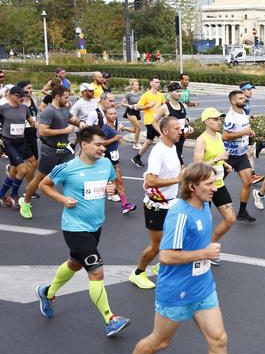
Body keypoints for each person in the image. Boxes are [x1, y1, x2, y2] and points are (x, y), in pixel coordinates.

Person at [115, 163, 228, 354]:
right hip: (177, 291)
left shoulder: (204, 204)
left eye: (214, 182)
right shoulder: (180, 214)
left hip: (203, 286)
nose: (214, 188)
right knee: (160, 341)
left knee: (219, 340)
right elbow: (166, 256)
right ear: (193, 187)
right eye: (208, 184)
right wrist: (204, 253)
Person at [35, 126, 131, 337]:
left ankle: (47, 292)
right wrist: (62, 199)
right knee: (96, 272)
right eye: (98, 144)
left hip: (95, 226)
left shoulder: (105, 164)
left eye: (103, 145)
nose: (102, 149)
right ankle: (110, 319)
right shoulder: (68, 168)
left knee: (74, 263)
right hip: (74, 228)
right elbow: (44, 184)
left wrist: (110, 189)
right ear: (83, 144)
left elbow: (109, 184)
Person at [129, 116, 182, 290]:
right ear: (165, 131)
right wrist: (177, 180)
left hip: (171, 203)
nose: (180, 131)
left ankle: (161, 265)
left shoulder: (172, 147)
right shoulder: (158, 151)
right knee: (157, 245)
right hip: (156, 205)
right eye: (176, 129)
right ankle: (138, 273)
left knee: (175, 239)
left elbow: (175, 171)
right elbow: (151, 181)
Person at [19, 86, 83, 219]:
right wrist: (65, 131)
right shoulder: (48, 111)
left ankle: (76, 202)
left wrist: (81, 124)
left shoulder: (64, 108)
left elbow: (72, 119)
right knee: (39, 179)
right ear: (57, 97)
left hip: (64, 150)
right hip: (51, 150)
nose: (68, 99)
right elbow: (42, 131)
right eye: (66, 97)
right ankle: (25, 202)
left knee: (73, 174)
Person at [195, 108, 237, 259]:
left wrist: (225, 164)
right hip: (204, 186)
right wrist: (217, 159)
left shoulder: (219, 136)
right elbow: (198, 165)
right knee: (204, 223)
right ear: (206, 121)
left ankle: (209, 245)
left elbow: (219, 157)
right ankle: (196, 251)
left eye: (220, 119)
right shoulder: (201, 140)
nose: (219, 122)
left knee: (230, 218)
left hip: (218, 183)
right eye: (215, 119)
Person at [222, 92, 258, 223]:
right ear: (233, 101)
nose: (244, 100)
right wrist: (243, 133)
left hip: (241, 155)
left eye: (244, 98)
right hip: (228, 156)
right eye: (241, 98)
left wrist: (249, 133)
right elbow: (225, 136)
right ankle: (199, 207)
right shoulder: (231, 117)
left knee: (248, 182)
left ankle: (242, 212)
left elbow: (245, 129)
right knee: (213, 184)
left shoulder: (243, 112)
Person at [0, 86, 36, 206]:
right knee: (23, 169)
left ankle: (1, 195)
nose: (20, 98)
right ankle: (13, 195)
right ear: (10, 95)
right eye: (18, 96)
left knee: (14, 170)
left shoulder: (24, 108)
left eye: (22, 96)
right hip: (8, 142)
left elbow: (31, 121)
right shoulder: (3, 108)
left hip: (21, 141)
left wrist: (37, 124)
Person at [100, 106, 137, 215]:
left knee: (118, 181)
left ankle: (125, 204)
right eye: (110, 114)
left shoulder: (113, 126)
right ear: (106, 115)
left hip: (114, 156)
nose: (113, 115)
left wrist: (118, 140)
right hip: (107, 158)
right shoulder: (105, 128)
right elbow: (101, 143)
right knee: (114, 181)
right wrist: (115, 139)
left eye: (115, 113)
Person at [151, 81, 191, 165]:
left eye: (180, 91)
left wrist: (189, 126)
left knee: (175, 161)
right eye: (177, 91)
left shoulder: (182, 105)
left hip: (181, 138)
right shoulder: (165, 107)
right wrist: (161, 134)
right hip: (170, 139)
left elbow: (184, 119)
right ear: (170, 92)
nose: (180, 93)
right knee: (179, 164)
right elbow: (154, 121)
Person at [131, 77, 166, 168]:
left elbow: (164, 105)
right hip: (150, 121)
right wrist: (148, 106)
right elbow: (138, 107)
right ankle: (159, 159)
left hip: (158, 121)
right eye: (156, 82)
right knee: (164, 138)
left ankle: (137, 157)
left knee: (149, 141)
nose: (158, 83)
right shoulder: (146, 95)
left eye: (159, 82)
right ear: (151, 84)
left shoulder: (160, 95)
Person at [239, 82, 264, 185]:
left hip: (246, 130)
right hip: (242, 131)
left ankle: (252, 175)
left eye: (251, 89)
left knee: (249, 152)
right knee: (238, 155)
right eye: (248, 90)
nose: (251, 91)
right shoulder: (240, 102)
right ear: (243, 91)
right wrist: (246, 129)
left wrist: (250, 115)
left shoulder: (247, 101)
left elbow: (245, 114)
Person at [121, 79, 143, 149]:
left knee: (135, 130)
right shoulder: (128, 94)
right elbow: (122, 103)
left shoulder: (140, 94)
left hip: (137, 111)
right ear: (132, 86)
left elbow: (142, 102)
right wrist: (129, 105)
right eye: (136, 85)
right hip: (130, 112)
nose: (137, 86)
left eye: (138, 84)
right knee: (139, 128)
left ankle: (122, 128)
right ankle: (136, 144)